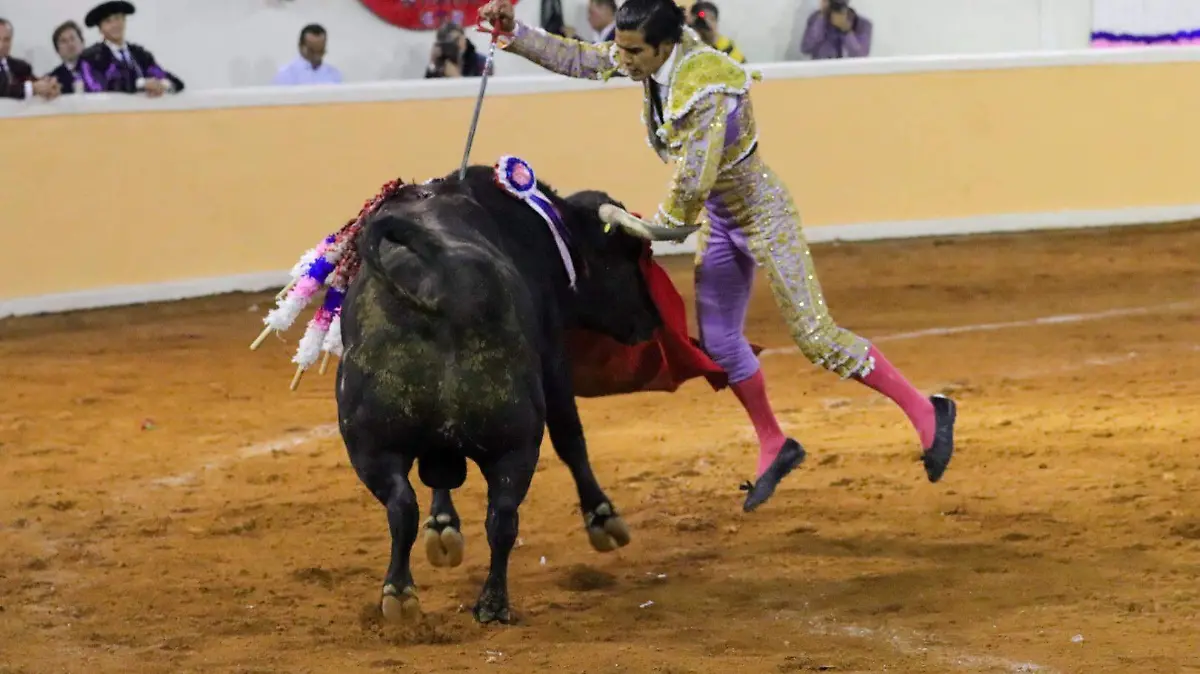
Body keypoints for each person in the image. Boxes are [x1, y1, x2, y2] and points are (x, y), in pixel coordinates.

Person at [478, 0, 956, 512]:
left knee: (816, 337)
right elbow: (583, 60)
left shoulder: (707, 90)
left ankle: (927, 410)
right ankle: (775, 443)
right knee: (722, 342)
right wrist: (517, 33)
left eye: (633, 52)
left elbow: (688, 193)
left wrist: (634, 223)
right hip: (723, 220)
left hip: (761, 215)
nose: (623, 59)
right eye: (622, 47)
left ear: (664, 46)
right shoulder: (650, 53)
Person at [78, 1, 185, 95]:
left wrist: (162, 85)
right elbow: (98, 88)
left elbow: (170, 79)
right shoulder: (91, 58)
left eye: (118, 18)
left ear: (124, 21)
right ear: (100, 29)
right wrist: (141, 84)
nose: (115, 25)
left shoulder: (140, 54)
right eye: (108, 21)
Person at [272, 24, 343, 86]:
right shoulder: (286, 75)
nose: (316, 55)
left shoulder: (334, 74)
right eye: (312, 50)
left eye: (320, 50)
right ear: (300, 46)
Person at [801, 0, 872, 60]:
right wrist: (822, 18)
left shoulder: (862, 24)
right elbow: (806, 48)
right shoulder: (816, 19)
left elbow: (861, 56)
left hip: (847, 73)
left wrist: (846, 31)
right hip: (821, 72)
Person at [425, 22, 490, 78]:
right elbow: (426, 89)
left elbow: (486, 89)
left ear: (464, 38)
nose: (453, 45)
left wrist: (457, 78)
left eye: (456, 39)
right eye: (447, 43)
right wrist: (433, 65)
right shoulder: (438, 65)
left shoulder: (481, 62)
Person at [46, 21, 87, 94]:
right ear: (57, 50)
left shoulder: (99, 70)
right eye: (64, 41)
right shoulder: (52, 80)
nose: (70, 44)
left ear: (82, 42)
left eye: (73, 38)